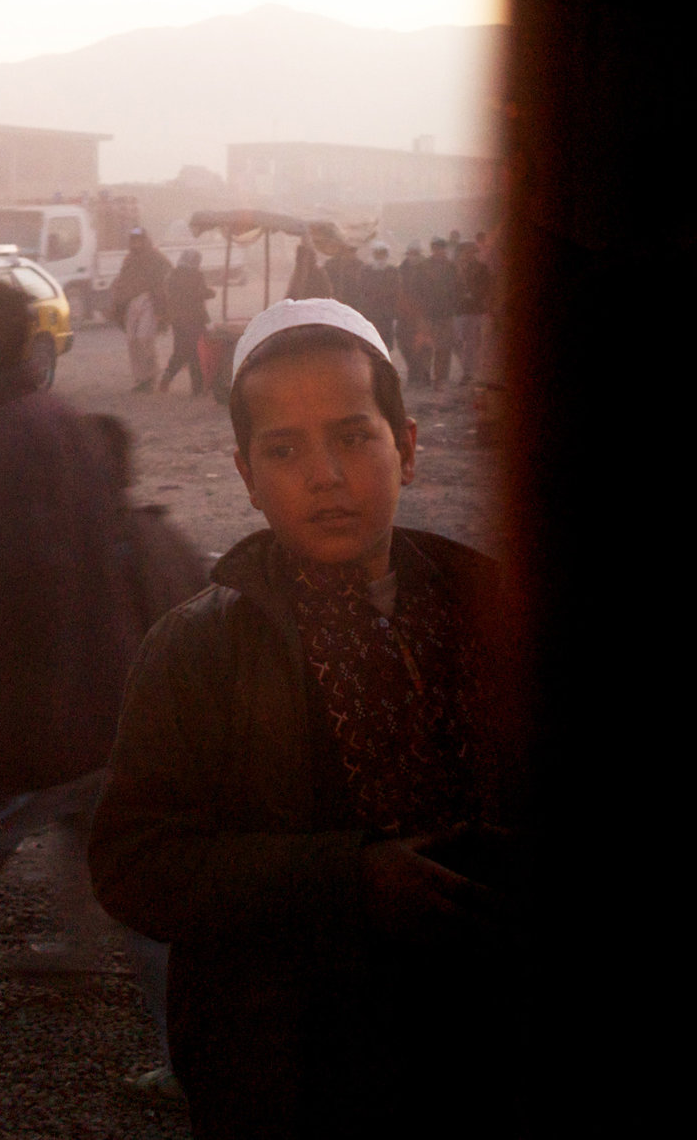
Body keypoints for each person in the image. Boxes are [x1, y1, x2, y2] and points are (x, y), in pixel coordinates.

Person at [90, 299, 521, 1140]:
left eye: (354, 436)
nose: (323, 474)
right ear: (249, 477)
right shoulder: (199, 652)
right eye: (284, 450)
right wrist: (346, 880)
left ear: (408, 445)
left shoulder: (492, 610)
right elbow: (134, 865)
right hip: (288, 1077)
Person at [0, 279, 146, 974]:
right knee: (96, 841)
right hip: (92, 690)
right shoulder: (52, 414)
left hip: (22, 719)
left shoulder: (6, 439)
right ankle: (88, 953)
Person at [86, 414, 209, 1113]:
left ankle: (189, 1058)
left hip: (148, 747)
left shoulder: (112, 547)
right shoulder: (160, 531)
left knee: (150, 919)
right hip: (187, 739)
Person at [106, 227, 173, 393]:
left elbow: (169, 272)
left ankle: (151, 376)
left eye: (139, 240)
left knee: (144, 338)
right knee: (132, 340)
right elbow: (123, 280)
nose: (136, 243)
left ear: (144, 240)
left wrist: (160, 293)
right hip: (130, 303)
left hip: (148, 301)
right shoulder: (129, 259)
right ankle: (140, 379)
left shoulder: (156, 257)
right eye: (133, 240)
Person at [160, 248, 213, 395]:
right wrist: (209, 293)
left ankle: (167, 377)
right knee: (196, 353)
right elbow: (197, 295)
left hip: (178, 320)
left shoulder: (173, 275)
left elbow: (172, 296)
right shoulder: (196, 276)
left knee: (180, 352)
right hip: (194, 320)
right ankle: (197, 388)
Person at [418, 236, 463, 387]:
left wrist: (454, 306)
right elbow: (416, 289)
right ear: (433, 250)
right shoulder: (424, 266)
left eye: (441, 249)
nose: (439, 252)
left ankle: (440, 378)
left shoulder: (451, 267)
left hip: (446, 313)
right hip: (428, 313)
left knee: (444, 348)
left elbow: (458, 288)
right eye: (436, 249)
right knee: (427, 346)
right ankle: (425, 373)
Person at [452, 235, 493, 387]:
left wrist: (476, 296)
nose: (467, 254)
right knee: (457, 342)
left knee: (471, 342)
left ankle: (468, 372)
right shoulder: (453, 268)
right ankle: (468, 368)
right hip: (458, 310)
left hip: (475, 309)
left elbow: (487, 287)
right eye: (464, 251)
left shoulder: (482, 268)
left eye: (470, 251)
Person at [351, 243, 401, 354]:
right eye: (377, 254)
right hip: (369, 313)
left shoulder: (392, 271)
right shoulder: (365, 270)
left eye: (382, 254)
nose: (380, 257)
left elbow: (395, 290)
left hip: (386, 314)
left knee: (384, 345)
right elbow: (361, 289)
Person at [394, 242, 431, 385]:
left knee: (424, 346)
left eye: (416, 253)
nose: (413, 256)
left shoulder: (428, 269)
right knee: (404, 344)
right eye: (411, 253)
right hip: (404, 313)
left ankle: (424, 373)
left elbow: (432, 292)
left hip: (424, 313)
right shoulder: (400, 269)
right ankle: (413, 371)